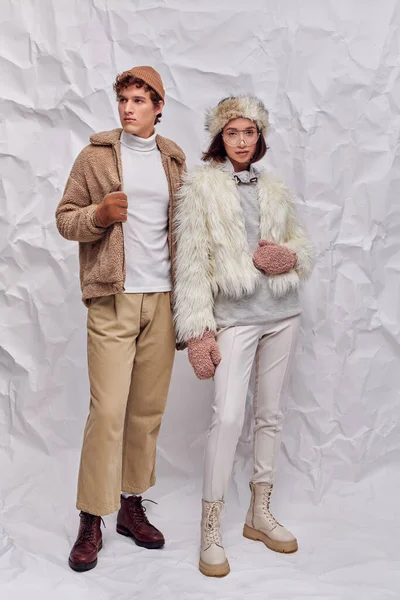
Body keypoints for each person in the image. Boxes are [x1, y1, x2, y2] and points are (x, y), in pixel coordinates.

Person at [173, 96, 314, 577]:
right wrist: (197, 331)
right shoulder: (201, 186)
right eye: (232, 132)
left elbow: (301, 243)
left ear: (259, 137)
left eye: (249, 132)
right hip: (235, 317)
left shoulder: (274, 187)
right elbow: (192, 263)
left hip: (282, 311)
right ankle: (210, 528)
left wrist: (289, 257)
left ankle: (259, 512)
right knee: (228, 416)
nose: (241, 140)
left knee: (269, 414)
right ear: (220, 136)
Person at [56, 66, 186, 572]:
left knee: (146, 411)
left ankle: (131, 505)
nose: (128, 108)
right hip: (113, 298)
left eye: (139, 100)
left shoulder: (174, 161)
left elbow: (188, 233)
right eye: (123, 100)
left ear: (159, 106)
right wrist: (99, 216)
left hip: (164, 300)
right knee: (107, 411)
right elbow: (65, 218)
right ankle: (92, 514)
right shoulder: (95, 157)